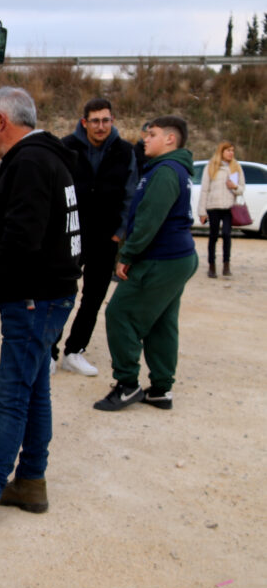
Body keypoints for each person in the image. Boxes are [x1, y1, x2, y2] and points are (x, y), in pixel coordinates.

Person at [0, 87, 81, 532]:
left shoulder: (27, 163)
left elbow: (21, 239)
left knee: (12, 398)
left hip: (34, 298)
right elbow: (19, 234)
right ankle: (31, 482)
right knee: (35, 386)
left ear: (1, 121)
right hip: (52, 294)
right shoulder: (53, 157)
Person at [94, 116, 198, 412]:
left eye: (151, 134)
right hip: (177, 257)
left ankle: (127, 384)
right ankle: (161, 390)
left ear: (170, 139)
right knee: (161, 321)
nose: (144, 140)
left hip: (162, 258)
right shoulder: (172, 169)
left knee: (119, 313)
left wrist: (127, 256)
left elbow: (150, 220)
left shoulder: (165, 171)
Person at [52, 98, 138, 377]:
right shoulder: (66, 146)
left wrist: (120, 232)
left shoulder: (125, 151)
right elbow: (54, 189)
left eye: (106, 120)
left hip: (105, 237)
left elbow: (130, 193)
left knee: (93, 297)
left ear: (112, 121)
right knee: (60, 292)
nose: (101, 126)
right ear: (84, 122)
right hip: (70, 235)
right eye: (95, 120)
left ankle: (74, 352)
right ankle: (48, 352)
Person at [198, 141, 245, 278]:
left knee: (226, 235)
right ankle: (211, 266)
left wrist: (235, 187)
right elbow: (204, 190)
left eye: (232, 150)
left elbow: (242, 188)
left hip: (229, 207)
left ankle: (226, 265)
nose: (231, 153)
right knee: (213, 236)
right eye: (228, 150)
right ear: (221, 152)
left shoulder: (236, 167)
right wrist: (202, 212)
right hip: (213, 207)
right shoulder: (211, 166)